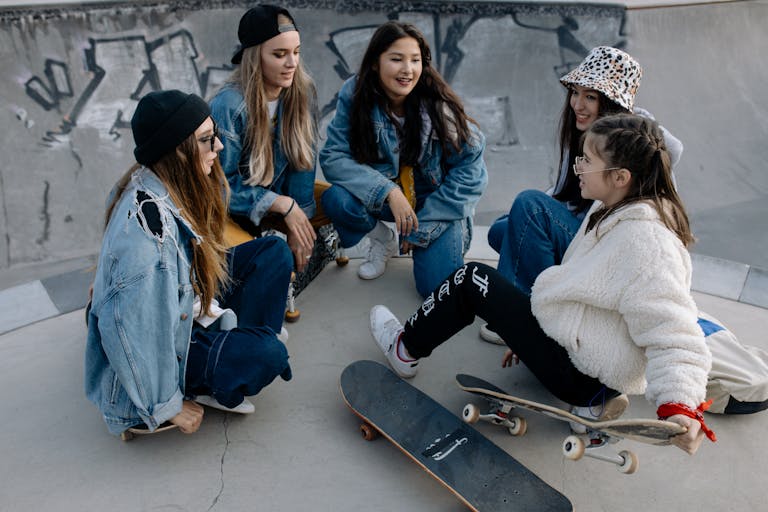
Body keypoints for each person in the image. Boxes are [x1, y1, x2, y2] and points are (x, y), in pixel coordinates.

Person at [369, 114, 715, 455]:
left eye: (587, 161)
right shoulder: (615, 208)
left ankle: (405, 349)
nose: (577, 167)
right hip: (587, 365)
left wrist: (681, 407)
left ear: (620, 176)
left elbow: (675, 334)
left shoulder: (649, 243)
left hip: (579, 373)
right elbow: (585, 288)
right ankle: (590, 406)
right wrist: (532, 332)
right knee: (506, 279)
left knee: (473, 278)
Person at [85, 90, 293, 436]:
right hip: (169, 346)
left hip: (184, 307)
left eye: (216, 136)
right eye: (208, 140)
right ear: (178, 152)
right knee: (268, 354)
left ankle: (235, 345)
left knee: (272, 252)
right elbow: (122, 329)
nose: (219, 148)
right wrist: (167, 405)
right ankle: (209, 380)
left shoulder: (164, 185)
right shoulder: (147, 243)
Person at [481, 46, 683, 344]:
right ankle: (542, 294)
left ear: (613, 103)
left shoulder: (629, 151)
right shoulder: (583, 135)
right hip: (584, 232)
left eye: (591, 96)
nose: (578, 104)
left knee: (528, 207)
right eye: (575, 93)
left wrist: (536, 212)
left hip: (604, 249)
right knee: (503, 228)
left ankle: (522, 315)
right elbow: (563, 192)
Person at [320, 21, 488, 298]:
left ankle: (433, 240)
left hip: (434, 201)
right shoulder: (356, 92)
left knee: (436, 290)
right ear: (375, 62)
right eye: (396, 59)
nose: (407, 70)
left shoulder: (438, 104)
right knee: (336, 200)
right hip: (385, 195)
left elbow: (471, 174)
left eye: (415, 60)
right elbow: (333, 156)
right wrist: (387, 192)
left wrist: (422, 229)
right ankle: (382, 239)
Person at [209, 5, 318, 273]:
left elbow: (303, 163)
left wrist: (299, 223)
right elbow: (219, 188)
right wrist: (280, 204)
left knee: (341, 202)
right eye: (279, 54)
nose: (292, 63)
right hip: (232, 213)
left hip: (278, 204)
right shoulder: (229, 106)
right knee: (261, 265)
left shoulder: (298, 91)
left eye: (296, 52)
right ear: (256, 57)